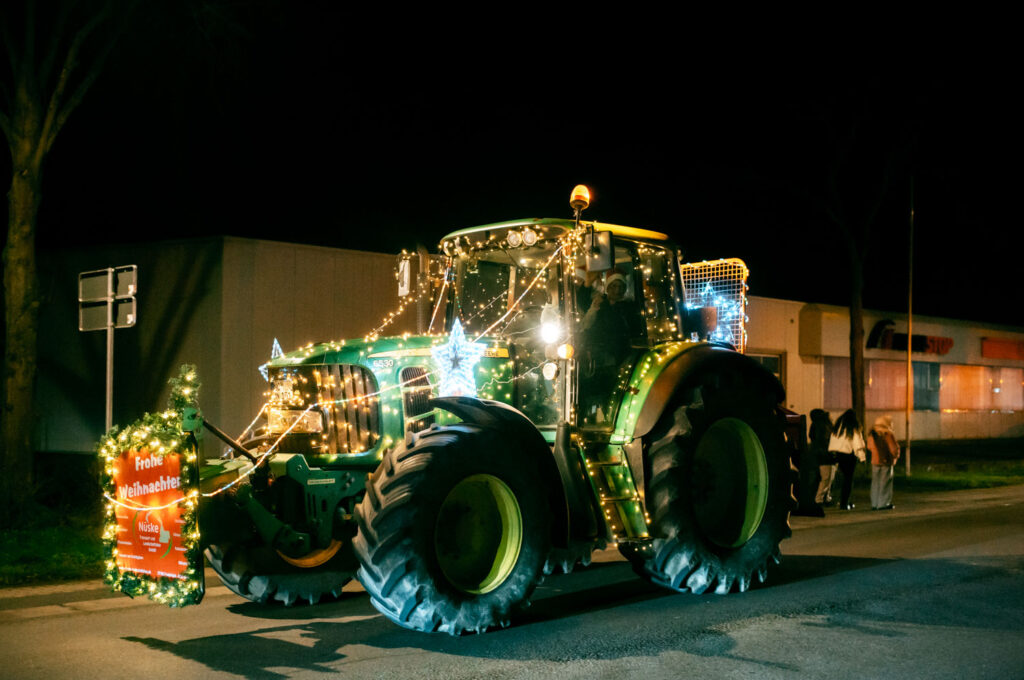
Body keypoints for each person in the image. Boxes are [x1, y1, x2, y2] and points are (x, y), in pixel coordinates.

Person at [828, 409, 866, 510]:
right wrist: (862, 457)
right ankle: (845, 503)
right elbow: (857, 444)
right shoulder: (853, 428)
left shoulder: (837, 428)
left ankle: (840, 501)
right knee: (848, 480)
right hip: (848, 456)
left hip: (837, 455)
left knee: (840, 479)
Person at [867, 415, 901, 510]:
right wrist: (896, 455)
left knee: (875, 482)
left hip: (875, 460)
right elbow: (893, 448)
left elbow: (869, 447)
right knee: (885, 482)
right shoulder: (887, 434)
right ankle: (883, 503)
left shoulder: (872, 434)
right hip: (886, 460)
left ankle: (874, 503)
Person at [810, 409, 836, 507]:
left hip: (822, 454)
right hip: (827, 454)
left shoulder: (816, 425)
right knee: (827, 478)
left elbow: (814, 438)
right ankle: (821, 498)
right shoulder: (825, 425)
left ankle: (822, 498)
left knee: (826, 478)